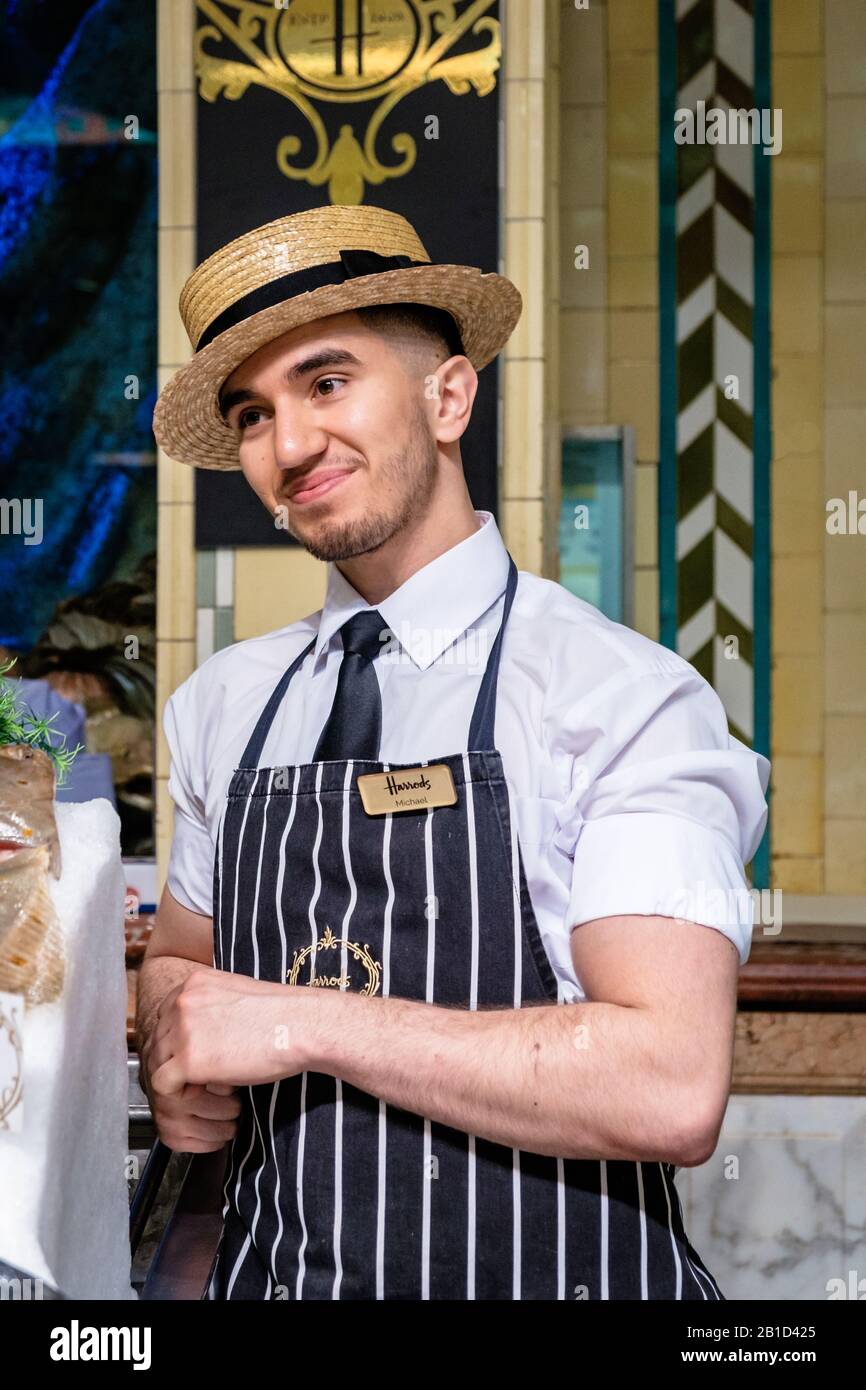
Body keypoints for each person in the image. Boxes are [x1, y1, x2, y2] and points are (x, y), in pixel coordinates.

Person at [140, 203, 769, 1301]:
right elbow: (185, 959)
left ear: (447, 395)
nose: (288, 447)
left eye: (326, 383)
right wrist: (168, 1041)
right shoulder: (220, 707)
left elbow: (667, 1088)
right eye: (253, 414)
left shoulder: (619, 700)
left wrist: (295, 1021)